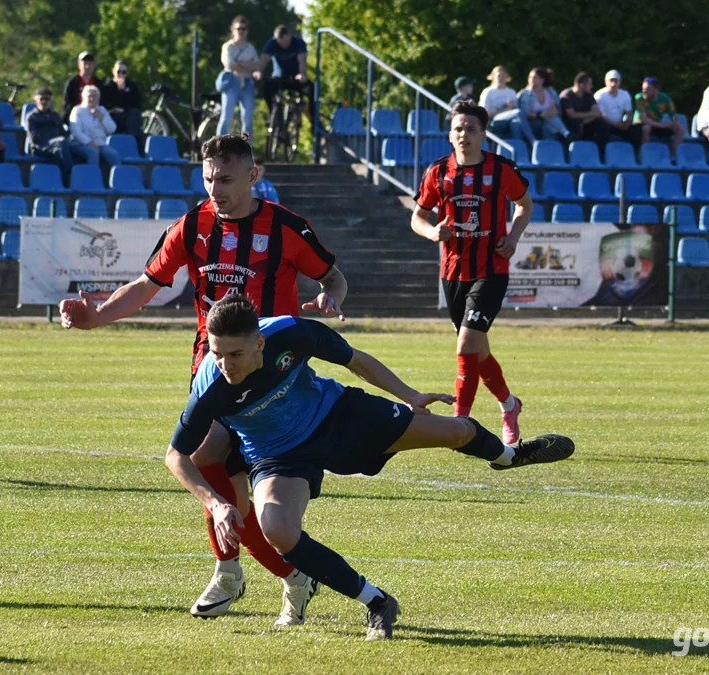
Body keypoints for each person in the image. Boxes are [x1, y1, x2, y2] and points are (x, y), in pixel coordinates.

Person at [58, 133, 348, 627]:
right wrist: (97, 317)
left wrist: (331, 300)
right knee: (207, 467)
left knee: (236, 483)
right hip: (211, 369)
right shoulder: (192, 225)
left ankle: (272, 572)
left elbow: (334, 277)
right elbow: (148, 285)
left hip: (272, 376)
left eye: (227, 178)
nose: (216, 187)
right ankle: (246, 570)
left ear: (254, 176)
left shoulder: (285, 227)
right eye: (209, 177)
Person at [165, 294, 575, 640]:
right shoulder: (210, 389)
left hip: (340, 417)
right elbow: (176, 455)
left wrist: (409, 394)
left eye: (235, 354)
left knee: (455, 433)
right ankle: (377, 601)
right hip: (280, 455)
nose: (225, 366)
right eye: (217, 355)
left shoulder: (292, 332)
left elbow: (355, 360)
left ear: (259, 342)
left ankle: (509, 457)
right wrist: (215, 503)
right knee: (278, 530)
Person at [411, 100, 533, 441]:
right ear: (450, 135)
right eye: (458, 129)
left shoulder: (501, 169)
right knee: (477, 350)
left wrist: (514, 234)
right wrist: (433, 232)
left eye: (471, 129)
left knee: (466, 343)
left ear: (483, 134)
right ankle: (509, 405)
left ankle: (459, 423)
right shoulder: (438, 172)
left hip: (491, 268)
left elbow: (525, 204)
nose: (464, 134)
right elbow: (417, 217)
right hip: (453, 273)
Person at [255, 25, 315, 127]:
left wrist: (302, 74)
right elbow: (264, 59)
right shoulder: (272, 44)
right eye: (281, 43)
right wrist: (259, 71)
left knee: (311, 89)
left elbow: (302, 60)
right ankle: (274, 115)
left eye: (286, 42)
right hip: (279, 78)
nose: (284, 46)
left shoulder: (298, 43)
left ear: (289, 37)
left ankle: (314, 120)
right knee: (266, 88)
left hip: (295, 79)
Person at [25, 87, 85, 179]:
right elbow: (34, 138)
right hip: (41, 147)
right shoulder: (31, 117)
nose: (44, 102)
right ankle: (72, 173)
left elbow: (63, 133)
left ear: (51, 101)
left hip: (58, 147)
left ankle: (62, 179)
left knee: (60, 151)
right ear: (36, 100)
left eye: (47, 99)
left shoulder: (55, 116)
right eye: (42, 99)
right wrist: (54, 141)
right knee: (61, 143)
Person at [218, 17, 260, 138]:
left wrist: (240, 65)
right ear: (233, 30)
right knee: (227, 117)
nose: (241, 31)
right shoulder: (228, 47)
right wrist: (248, 66)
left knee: (247, 118)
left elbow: (256, 65)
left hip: (247, 83)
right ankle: (219, 148)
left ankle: (246, 149)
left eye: (244, 29)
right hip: (232, 82)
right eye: (239, 29)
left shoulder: (250, 48)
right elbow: (230, 65)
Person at [68, 85, 120, 170]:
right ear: (83, 97)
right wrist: (89, 142)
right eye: (89, 96)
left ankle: (119, 179)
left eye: (95, 96)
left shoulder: (102, 110)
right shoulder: (77, 110)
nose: (92, 99)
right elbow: (76, 131)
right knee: (93, 153)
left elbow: (112, 129)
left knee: (113, 154)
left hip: (100, 143)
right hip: (80, 143)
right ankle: (92, 178)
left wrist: (102, 118)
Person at [633, 76, 685, 157]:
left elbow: (674, 116)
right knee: (646, 128)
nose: (644, 91)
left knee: (680, 129)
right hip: (640, 125)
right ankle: (643, 155)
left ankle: (673, 155)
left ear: (656, 89)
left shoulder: (665, 99)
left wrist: (672, 123)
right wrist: (662, 125)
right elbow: (644, 119)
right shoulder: (639, 98)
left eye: (647, 89)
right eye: (643, 89)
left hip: (657, 124)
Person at [101, 60, 145, 151]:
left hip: (127, 116)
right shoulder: (106, 86)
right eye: (118, 72)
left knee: (134, 116)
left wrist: (123, 92)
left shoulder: (132, 86)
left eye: (123, 72)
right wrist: (119, 92)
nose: (121, 74)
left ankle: (135, 147)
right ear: (113, 71)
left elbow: (137, 104)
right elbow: (103, 105)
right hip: (112, 117)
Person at [516, 67, 568, 142]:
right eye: (530, 77)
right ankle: (566, 133)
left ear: (542, 80)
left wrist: (550, 113)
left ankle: (548, 148)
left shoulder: (550, 91)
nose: (531, 79)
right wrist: (540, 115)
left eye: (534, 77)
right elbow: (524, 114)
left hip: (548, 121)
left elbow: (557, 108)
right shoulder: (525, 94)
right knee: (550, 120)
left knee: (549, 122)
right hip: (533, 122)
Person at [559, 72, 609, 147]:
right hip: (569, 124)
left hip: (586, 122)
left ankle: (600, 151)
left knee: (602, 124)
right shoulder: (567, 95)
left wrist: (584, 122)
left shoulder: (588, 94)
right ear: (581, 85)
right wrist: (590, 115)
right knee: (575, 125)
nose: (591, 87)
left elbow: (597, 112)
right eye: (589, 84)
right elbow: (572, 115)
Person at [478, 66, 526, 141]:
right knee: (518, 112)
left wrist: (512, 107)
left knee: (516, 123)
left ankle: (518, 147)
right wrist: (505, 110)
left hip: (509, 121)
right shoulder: (488, 92)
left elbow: (515, 109)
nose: (501, 78)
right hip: (494, 122)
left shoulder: (511, 92)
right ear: (493, 77)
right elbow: (484, 113)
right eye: (499, 76)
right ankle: (532, 140)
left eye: (504, 76)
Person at [594, 69, 635, 145]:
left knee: (635, 131)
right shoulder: (600, 95)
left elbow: (629, 113)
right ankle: (603, 154)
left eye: (616, 81)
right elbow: (600, 115)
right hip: (606, 124)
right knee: (602, 128)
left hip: (620, 125)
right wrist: (615, 124)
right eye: (611, 80)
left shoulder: (625, 95)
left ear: (620, 82)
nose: (613, 84)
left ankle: (633, 154)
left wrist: (628, 123)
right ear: (606, 82)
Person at [63, 51, 104, 123]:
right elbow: (68, 103)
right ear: (79, 65)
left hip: (95, 116)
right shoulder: (72, 83)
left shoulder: (98, 83)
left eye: (90, 63)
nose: (87, 66)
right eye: (85, 63)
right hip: (77, 116)